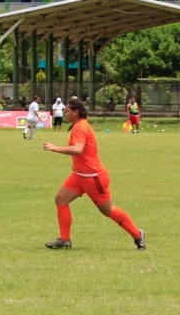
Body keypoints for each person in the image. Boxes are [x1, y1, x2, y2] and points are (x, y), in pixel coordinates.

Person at [42, 98, 145, 250]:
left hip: (93, 177)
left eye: (67, 111)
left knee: (108, 210)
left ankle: (137, 234)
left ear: (76, 112)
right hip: (79, 176)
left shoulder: (80, 127)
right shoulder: (78, 125)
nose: (65, 114)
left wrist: (55, 148)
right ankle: (64, 240)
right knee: (61, 200)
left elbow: (78, 149)